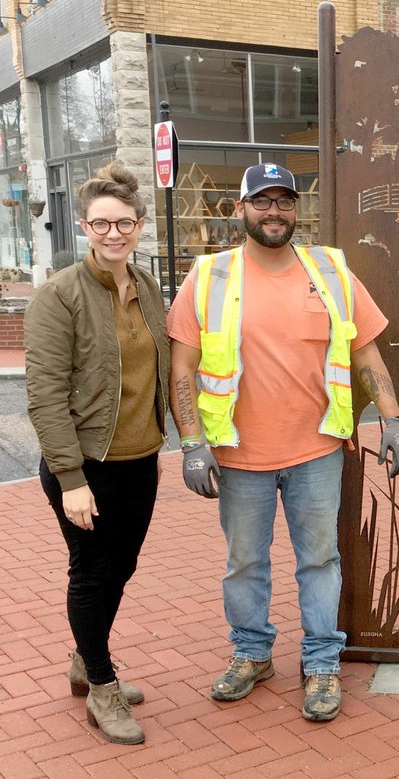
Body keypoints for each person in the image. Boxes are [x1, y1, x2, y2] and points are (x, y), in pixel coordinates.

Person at [167, 162, 399, 722]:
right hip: (238, 455)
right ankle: (252, 654)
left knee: (319, 559)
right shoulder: (208, 278)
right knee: (244, 562)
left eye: (284, 201)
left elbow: (366, 353)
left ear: (296, 210)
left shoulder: (330, 272)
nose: (273, 211)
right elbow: (183, 367)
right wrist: (192, 442)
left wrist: (393, 422)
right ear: (240, 210)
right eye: (262, 200)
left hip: (317, 452)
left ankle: (322, 663)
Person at [24, 163, 170, 745]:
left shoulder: (149, 286)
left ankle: (87, 658)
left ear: (138, 226)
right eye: (102, 223)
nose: (114, 233)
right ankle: (101, 686)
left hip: (140, 460)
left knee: (122, 568)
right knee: (92, 574)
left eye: (125, 223)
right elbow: (45, 395)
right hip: (84, 467)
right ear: (85, 226)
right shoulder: (59, 295)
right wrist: (70, 479)